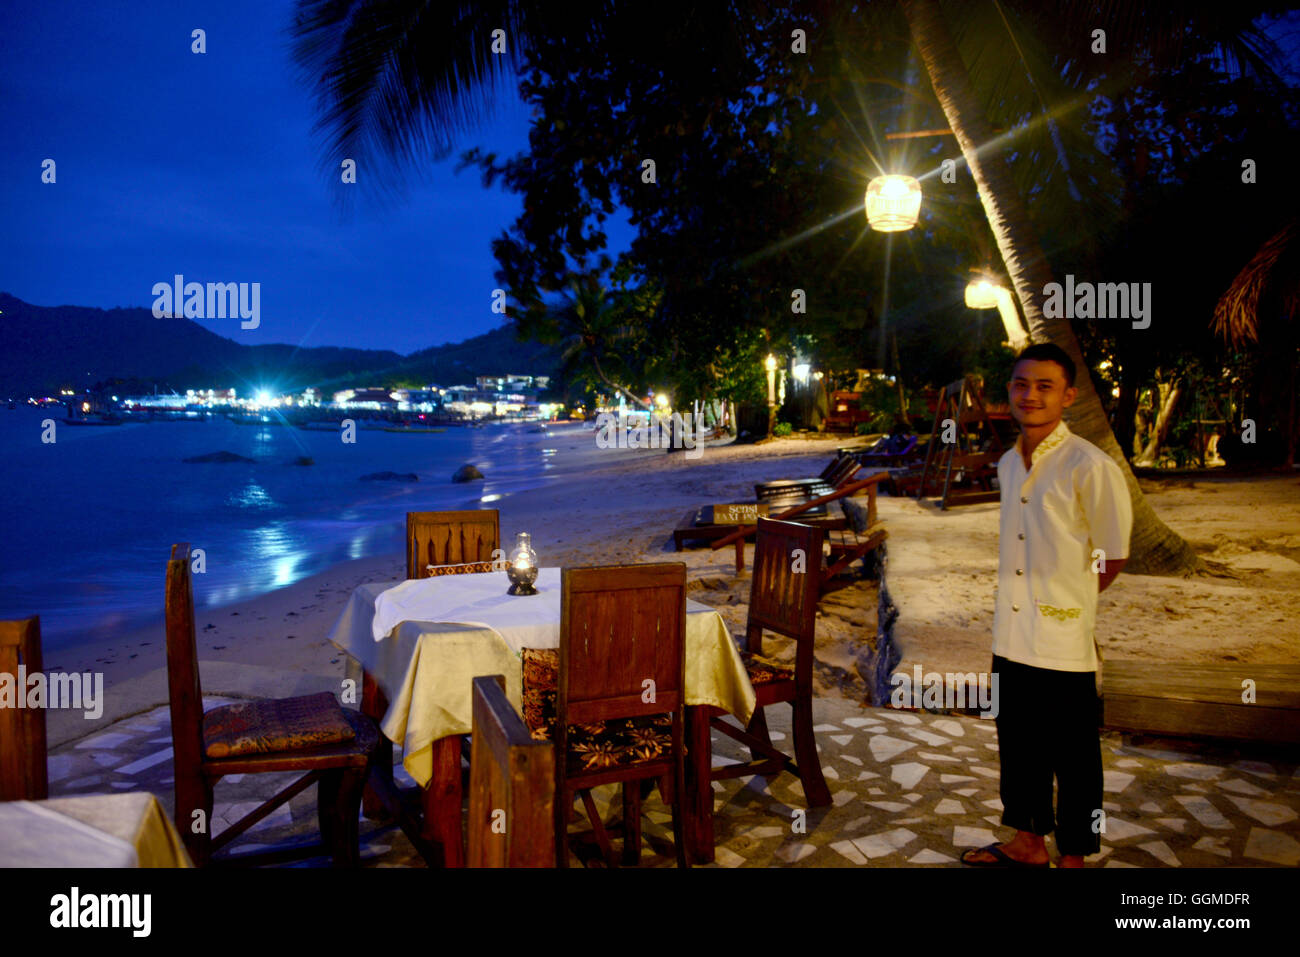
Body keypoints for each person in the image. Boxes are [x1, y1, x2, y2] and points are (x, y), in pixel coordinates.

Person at [960, 342, 1132, 869]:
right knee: (1018, 744)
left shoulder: (1090, 466)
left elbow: (1112, 556)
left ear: (1068, 396)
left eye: (1044, 386)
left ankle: (1073, 858)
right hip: (1010, 634)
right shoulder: (1011, 463)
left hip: (1062, 639)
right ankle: (1027, 843)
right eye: (1020, 384)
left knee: (1074, 756)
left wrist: (1067, 603)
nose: (1029, 395)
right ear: (1009, 390)